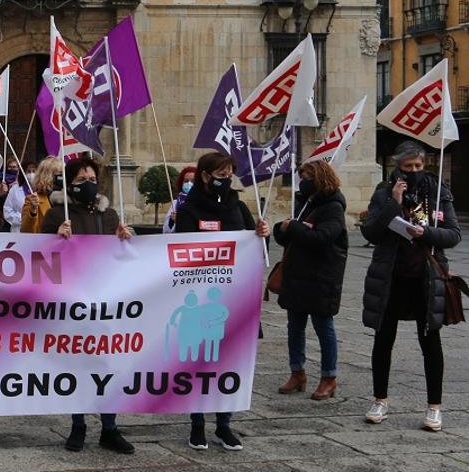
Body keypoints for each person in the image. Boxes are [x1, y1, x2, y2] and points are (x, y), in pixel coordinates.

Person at [171, 150, 271, 450]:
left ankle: (224, 425)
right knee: (200, 364)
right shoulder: (190, 209)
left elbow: (253, 244)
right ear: (205, 176)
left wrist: (261, 233)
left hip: (234, 297)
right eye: (221, 175)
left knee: (230, 361)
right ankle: (197, 423)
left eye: (230, 175)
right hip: (200, 297)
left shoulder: (237, 206)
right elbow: (180, 250)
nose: (226, 180)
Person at [361, 141, 461, 432]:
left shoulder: (438, 192)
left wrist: (425, 232)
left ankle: (434, 407)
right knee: (383, 339)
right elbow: (370, 232)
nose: (415, 171)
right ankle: (380, 400)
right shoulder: (383, 193)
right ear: (397, 167)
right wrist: (393, 201)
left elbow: (453, 234)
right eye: (408, 168)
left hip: (426, 278)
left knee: (430, 341)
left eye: (418, 166)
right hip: (391, 277)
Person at [41, 156, 136, 454]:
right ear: (69, 184)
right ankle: (78, 424)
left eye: (92, 179)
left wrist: (125, 239)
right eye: (81, 180)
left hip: (105, 300)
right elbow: (38, 255)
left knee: (107, 362)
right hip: (73, 301)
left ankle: (110, 427)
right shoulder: (58, 215)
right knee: (78, 363)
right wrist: (56, 239)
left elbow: (124, 257)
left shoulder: (109, 216)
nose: (88, 184)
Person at [274, 160, 348, 400]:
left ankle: (329, 377)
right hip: (298, 275)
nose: (302, 181)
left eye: (306, 177)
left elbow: (322, 237)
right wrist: (282, 228)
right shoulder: (305, 203)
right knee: (294, 327)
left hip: (321, 277)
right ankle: (297, 372)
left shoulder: (333, 206)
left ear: (318, 178)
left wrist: (293, 227)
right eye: (301, 177)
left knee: (323, 327)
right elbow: (291, 235)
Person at [7, 156, 60, 233]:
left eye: (61, 174)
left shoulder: (68, 198)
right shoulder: (19, 191)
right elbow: (8, 210)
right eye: (29, 171)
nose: (31, 174)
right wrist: (28, 214)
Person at [163, 165, 197, 232]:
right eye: (186, 181)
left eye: (193, 181)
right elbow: (166, 231)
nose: (189, 183)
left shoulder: (204, 202)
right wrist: (172, 221)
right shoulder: (175, 204)